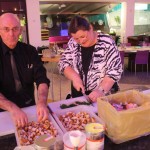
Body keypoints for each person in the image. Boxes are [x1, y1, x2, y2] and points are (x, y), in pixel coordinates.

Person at [0, 13, 50, 127]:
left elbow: (42, 79)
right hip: (3, 112)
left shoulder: (30, 51)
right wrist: (12, 108)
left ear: (21, 30)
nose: (11, 34)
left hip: (29, 107)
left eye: (15, 29)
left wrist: (42, 102)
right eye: (6, 29)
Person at [58, 16, 123, 102]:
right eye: (76, 38)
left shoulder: (106, 42)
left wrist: (101, 90)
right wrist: (75, 78)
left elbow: (115, 70)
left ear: (91, 28)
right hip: (79, 93)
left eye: (83, 36)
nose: (80, 41)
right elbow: (63, 63)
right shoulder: (73, 43)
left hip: (103, 94)